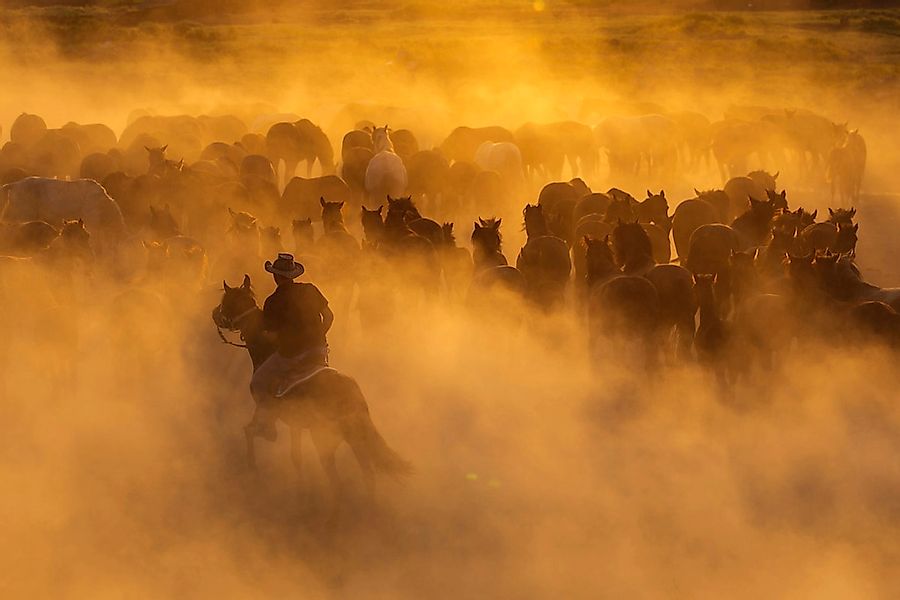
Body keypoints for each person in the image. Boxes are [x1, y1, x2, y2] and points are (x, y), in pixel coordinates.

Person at [248, 252, 334, 441]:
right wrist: (318, 337)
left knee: (259, 381)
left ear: (276, 276)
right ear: (293, 275)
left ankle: (267, 425)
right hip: (319, 352)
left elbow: (273, 336)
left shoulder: (272, 301)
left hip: (291, 355)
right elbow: (329, 316)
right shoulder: (310, 290)